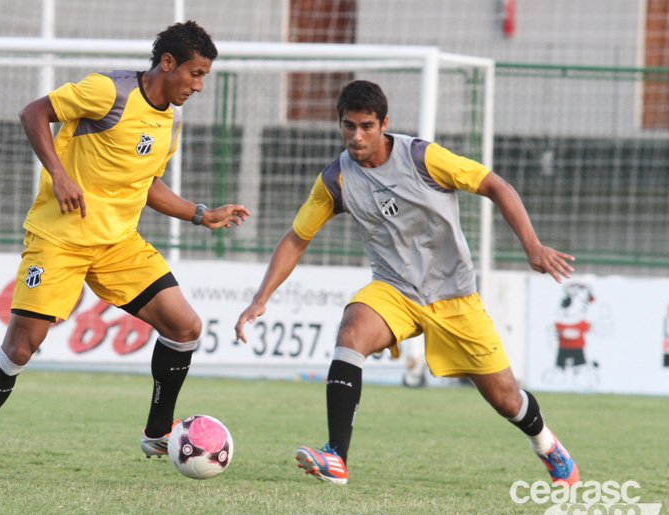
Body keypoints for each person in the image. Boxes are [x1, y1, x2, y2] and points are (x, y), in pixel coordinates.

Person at [235, 80, 578, 486]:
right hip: (393, 289)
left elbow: (494, 185)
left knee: (506, 399)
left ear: (384, 124)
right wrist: (261, 298)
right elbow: (296, 238)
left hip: (454, 295)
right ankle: (336, 457)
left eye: (366, 126)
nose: (357, 136)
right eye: (348, 126)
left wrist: (532, 246)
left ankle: (548, 446)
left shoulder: (422, 158)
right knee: (351, 331)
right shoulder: (335, 180)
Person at [0, 21, 250, 481]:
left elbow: (145, 185)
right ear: (167, 63)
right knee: (22, 346)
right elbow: (33, 112)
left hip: (117, 244)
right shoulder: (107, 92)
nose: (199, 85)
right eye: (194, 73)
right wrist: (59, 174)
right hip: (60, 239)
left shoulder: (169, 119)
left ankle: (156, 430)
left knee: (185, 326)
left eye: (204, 76)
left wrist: (200, 213)